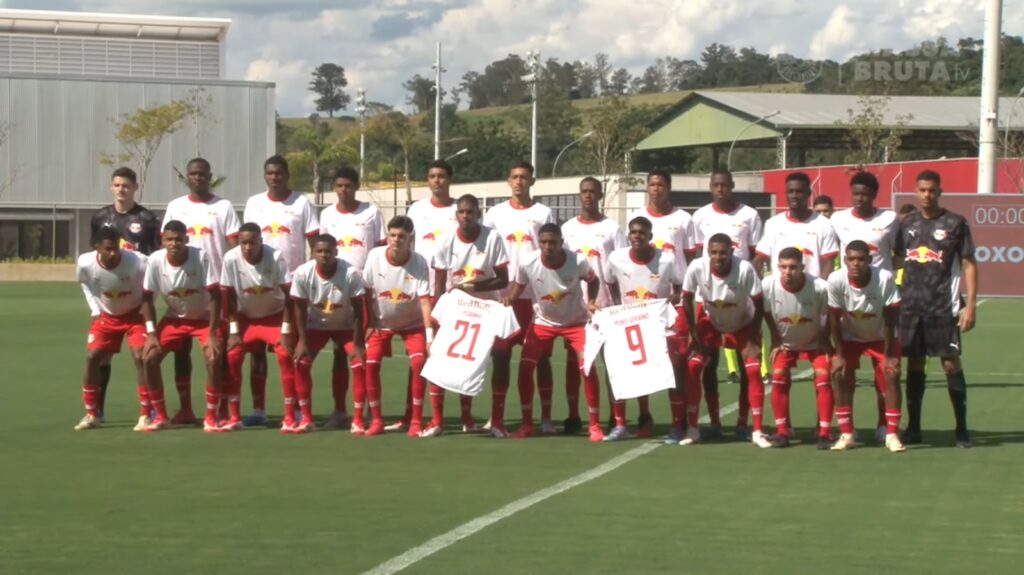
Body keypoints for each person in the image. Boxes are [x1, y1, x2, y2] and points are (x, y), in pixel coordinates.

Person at [895, 170, 978, 448]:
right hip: (910, 307)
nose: (927, 195)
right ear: (916, 192)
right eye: (922, 190)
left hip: (943, 307)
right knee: (914, 363)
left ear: (939, 192)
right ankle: (914, 427)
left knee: (950, 363)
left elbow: (968, 264)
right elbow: (895, 260)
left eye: (932, 190)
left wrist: (971, 306)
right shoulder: (907, 224)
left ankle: (962, 429)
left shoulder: (955, 223)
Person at [504, 223, 604, 442]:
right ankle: (528, 424)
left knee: (587, 368)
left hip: (576, 322)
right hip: (543, 322)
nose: (548, 246)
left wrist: (593, 301)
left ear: (561, 242)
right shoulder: (528, 261)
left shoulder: (577, 260)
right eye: (544, 242)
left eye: (552, 242)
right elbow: (519, 287)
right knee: (525, 367)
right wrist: (509, 299)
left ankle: (595, 425)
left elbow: (593, 280)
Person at [241, 155, 319, 427]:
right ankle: (259, 409)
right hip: (258, 284)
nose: (274, 177)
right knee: (256, 353)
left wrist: (307, 278)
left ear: (287, 175)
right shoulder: (254, 204)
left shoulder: (301, 203)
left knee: (290, 350)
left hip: (291, 286)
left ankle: (297, 408)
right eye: (270, 173)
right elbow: (246, 238)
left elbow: (313, 241)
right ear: (265, 176)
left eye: (279, 173)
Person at [162, 158, 240, 424]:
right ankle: (185, 409)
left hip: (216, 290)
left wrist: (232, 281)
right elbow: (167, 245)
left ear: (210, 176)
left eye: (202, 174)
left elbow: (233, 247)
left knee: (219, 353)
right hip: (182, 290)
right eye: (193, 173)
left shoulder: (223, 207)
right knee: (181, 352)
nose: (198, 177)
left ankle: (219, 407)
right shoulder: (176, 206)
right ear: (187, 176)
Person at [481, 161, 557, 436]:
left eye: (524, 177)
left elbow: (550, 250)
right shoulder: (495, 214)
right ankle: (496, 415)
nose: (519, 181)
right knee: (500, 354)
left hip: (534, 297)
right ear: (508, 180)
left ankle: (545, 417)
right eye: (514, 177)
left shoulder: (543, 212)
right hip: (504, 298)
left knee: (541, 358)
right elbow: (486, 252)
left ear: (532, 181)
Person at [425, 194, 509, 437]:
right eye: (461, 212)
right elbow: (440, 283)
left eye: (470, 212)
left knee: (502, 356)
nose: (465, 216)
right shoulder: (446, 240)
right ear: (456, 215)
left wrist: (473, 287)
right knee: (442, 358)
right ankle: (439, 421)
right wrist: (437, 317)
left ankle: (498, 421)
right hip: (458, 308)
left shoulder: (492, 237)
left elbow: (503, 279)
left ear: (478, 214)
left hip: (487, 309)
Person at [690, 170, 764, 439]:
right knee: (708, 363)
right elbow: (698, 255)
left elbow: (756, 254)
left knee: (748, 364)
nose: (720, 189)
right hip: (709, 298)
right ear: (710, 187)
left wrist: (745, 279)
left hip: (740, 298)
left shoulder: (750, 215)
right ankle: (715, 421)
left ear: (732, 186)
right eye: (715, 185)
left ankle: (744, 422)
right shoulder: (700, 216)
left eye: (725, 185)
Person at [682, 233, 774, 448]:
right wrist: (693, 333)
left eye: (723, 252)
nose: (718, 257)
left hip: (743, 323)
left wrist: (752, 337)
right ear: (708, 253)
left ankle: (753, 428)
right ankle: (696, 427)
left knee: (751, 370)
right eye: (713, 252)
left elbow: (759, 303)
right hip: (711, 322)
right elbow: (686, 297)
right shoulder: (697, 267)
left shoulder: (745, 269)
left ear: (732, 252)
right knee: (695, 366)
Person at [830, 171, 900, 442]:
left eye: (865, 194)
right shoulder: (838, 219)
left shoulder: (890, 219)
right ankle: (848, 430)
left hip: (879, 300)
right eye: (855, 193)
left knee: (885, 372)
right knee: (844, 371)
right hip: (850, 301)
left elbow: (900, 254)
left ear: (874, 195)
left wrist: (890, 284)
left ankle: (885, 426)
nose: (859, 198)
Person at [88, 167, 161, 419]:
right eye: (117, 185)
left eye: (126, 185)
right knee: (102, 356)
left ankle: (149, 408)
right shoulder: (100, 217)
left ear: (135, 188)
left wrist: (150, 298)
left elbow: (156, 260)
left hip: (137, 300)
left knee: (141, 355)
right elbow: (94, 259)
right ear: (111, 187)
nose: (121, 189)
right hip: (109, 301)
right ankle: (98, 408)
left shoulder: (147, 219)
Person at [628, 170, 696, 441]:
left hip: (673, 304)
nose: (656, 189)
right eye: (652, 184)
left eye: (661, 185)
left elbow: (690, 258)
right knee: (639, 363)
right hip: (642, 306)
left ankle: (678, 422)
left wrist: (683, 294)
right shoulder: (637, 219)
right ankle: (644, 418)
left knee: (675, 365)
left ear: (669, 188)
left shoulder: (683, 219)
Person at [140, 220, 224, 432]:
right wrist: (151, 334)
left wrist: (213, 333)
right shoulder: (155, 261)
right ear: (163, 241)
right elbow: (147, 298)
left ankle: (211, 416)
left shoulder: (200, 257)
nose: (174, 243)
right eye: (169, 239)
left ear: (186, 240)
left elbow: (216, 296)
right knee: (149, 357)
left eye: (178, 239)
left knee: (213, 357)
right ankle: (160, 416)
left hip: (204, 318)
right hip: (175, 318)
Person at [604, 216, 682, 441]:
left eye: (642, 232)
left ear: (650, 237)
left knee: (669, 374)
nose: (637, 236)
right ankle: (621, 424)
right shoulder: (617, 258)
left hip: (658, 325)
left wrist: (672, 299)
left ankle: (677, 424)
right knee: (623, 371)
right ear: (629, 235)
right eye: (633, 232)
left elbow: (678, 285)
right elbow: (610, 282)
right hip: (629, 324)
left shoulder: (666, 259)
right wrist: (621, 308)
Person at [318, 167, 385, 430]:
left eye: (348, 185)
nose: (343, 190)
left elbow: (379, 250)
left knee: (364, 352)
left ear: (356, 186)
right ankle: (339, 410)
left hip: (363, 290)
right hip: (335, 291)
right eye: (339, 186)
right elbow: (322, 246)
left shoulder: (370, 212)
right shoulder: (326, 214)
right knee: (338, 352)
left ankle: (368, 409)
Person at [561, 177, 628, 435]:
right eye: (584, 192)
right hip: (575, 308)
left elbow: (621, 267)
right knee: (574, 362)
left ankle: (616, 414)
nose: (588, 196)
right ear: (579, 195)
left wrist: (620, 304)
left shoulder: (612, 229)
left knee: (611, 362)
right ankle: (573, 415)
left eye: (592, 192)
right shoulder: (568, 229)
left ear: (600, 195)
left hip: (606, 306)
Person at [827, 241, 904, 452]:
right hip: (851, 335)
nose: (856, 264)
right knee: (839, 374)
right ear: (844, 261)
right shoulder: (835, 280)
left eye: (861, 259)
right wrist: (839, 354)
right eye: (851, 259)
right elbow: (834, 320)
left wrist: (889, 355)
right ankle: (847, 433)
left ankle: (891, 434)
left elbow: (891, 319)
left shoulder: (885, 278)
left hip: (881, 335)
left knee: (891, 374)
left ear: (869, 261)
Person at [361, 216, 433, 437]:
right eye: (392, 235)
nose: (396, 240)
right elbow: (365, 292)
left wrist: (429, 336)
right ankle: (377, 420)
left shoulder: (419, 262)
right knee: (370, 362)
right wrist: (369, 323)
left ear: (410, 238)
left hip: (412, 324)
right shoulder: (374, 256)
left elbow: (424, 301)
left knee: (419, 361)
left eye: (401, 236)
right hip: (382, 323)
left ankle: (415, 420)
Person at [405, 159, 463, 430]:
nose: (436, 180)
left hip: (453, 290)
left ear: (449, 179)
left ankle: (462, 415)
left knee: (456, 353)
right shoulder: (416, 209)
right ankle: (412, 413)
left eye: (441, 176)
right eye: (432, 176)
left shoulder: (459, 209)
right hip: (422, 289)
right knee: (420, 352)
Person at [74, 227, 151, 431]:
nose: (113, 253)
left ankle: (146, 414)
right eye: (108, 249)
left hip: (135, 315)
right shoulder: (85, 263)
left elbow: (152, 283)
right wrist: (95, 309)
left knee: (140, 356)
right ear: (96, 248)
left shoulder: (138, 261)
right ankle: (92, 413)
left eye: (115, 248)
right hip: (106, 316)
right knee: (92, 357)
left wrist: (146, 309)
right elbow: (84, 283)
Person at [221, 223, 296, 431]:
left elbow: (290, 296)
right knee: (233, 355)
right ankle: (238, 416)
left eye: (252, 242)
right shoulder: (231, 258)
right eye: (243, 242)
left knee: (284, 354)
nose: (247, 247)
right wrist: (234, 331)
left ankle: (291, 415)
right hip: (247, 318)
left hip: (274, 316)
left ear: (261, 242)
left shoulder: (275, 257)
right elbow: (229, 296)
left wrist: (286, 331)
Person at [291, 234, 366, 434]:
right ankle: (306, 418)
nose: (324, 255)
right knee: (301, 361)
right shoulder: (303, 273)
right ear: (313, 252)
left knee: (359, 363)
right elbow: (298, 308)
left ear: (336, 252)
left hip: (347, 327)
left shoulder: (350, 273)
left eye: (328, 251)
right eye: (320, 251)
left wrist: (358, 343)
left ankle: (356, 419)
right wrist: (301, 341)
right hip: (316, 326)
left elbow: (360, 310)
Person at [761, 247, 833, 449]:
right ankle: (783, 431)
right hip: (786, 343)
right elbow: (766, 312)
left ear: (803, 267)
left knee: (824, 378)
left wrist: (825, 341)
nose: (787, 272)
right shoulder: (768, 285)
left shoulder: (819, 287)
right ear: (777, 267)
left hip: (814, 342)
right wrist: (775, 339)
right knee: (778, 377)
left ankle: (824, 432)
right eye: (783, 267)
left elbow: (828, 316)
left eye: (793, 267)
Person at [754, 171, 839, 279]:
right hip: (780, 293)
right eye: (790, 191)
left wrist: (821, 289)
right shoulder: (773, 224)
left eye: (799, 192)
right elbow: (759, 259)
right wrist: (758, 286)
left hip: (811, 292)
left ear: (808, 193)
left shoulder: (824, 224)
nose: (794, 196)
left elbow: (828, 263)